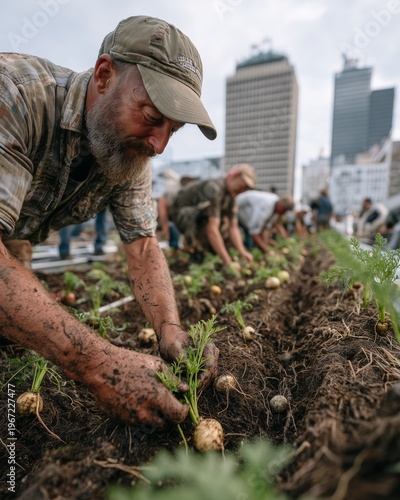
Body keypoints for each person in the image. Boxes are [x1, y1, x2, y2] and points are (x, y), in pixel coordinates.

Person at [0, 16, 219, 427]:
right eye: (153, 117)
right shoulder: (15, 94)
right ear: (104, 76)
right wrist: (99, 363)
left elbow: (142, 245)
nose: (158, 145)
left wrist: (170, 330)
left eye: (175, 130)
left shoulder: (132, 153)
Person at [169, 164, 255, 266]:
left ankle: (208, 254)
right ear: (233, 175)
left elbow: (233, 227)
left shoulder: (231, 197)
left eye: (246, 188)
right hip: (183, 214)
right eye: (243, 184)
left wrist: (242, 252)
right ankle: (196, 251)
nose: (243, 190)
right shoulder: (214, 188)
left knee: (225, 223)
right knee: (212, 226)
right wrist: (228, 261)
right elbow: (212, 229)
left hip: (199, 217)